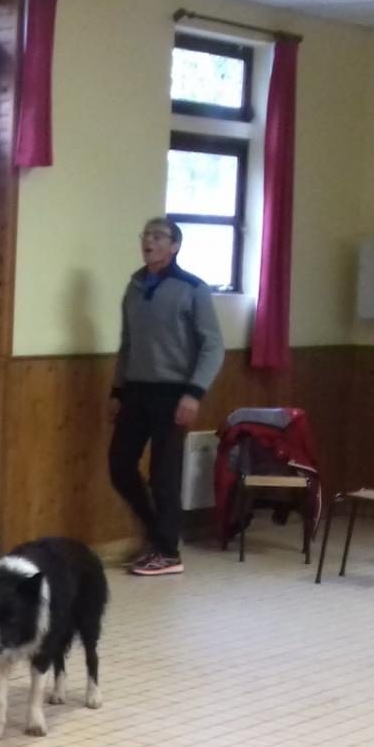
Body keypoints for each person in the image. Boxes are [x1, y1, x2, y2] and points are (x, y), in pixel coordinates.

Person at [108, 216, 223, 578]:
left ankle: (169, 551)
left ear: (174, 246)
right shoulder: (135, 286)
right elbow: (127, 344)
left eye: (159, 236)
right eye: (146, 234)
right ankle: (157, 534)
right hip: (136, 391)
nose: (150, 241)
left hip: (175, 393)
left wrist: (194, 393)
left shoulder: (192, 289)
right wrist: (117, 389)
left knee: (164, 475)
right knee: (120, 465)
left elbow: (213, 346)